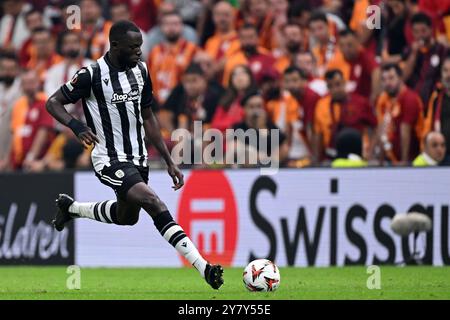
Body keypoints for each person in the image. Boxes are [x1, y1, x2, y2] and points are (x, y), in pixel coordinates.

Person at [45, 20, 224, 290]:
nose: (140, 52)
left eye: (140, 46)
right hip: (108, 158)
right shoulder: (91, 74)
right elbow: (53, 102)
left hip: (138, 158)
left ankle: (71, 209)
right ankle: (204, 266)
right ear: (115, 46)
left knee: (127, 216)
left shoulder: (141, 70)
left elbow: (148, 116)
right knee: (153, 202)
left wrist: (168, 160)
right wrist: (78, 126)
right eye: (133, 47)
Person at [313, 69, 377, 163]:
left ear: (344, 82)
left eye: (338, 84)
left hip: (357, 157)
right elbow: (318, 135)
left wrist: (370, 152)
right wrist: (317, 160)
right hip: (331, 156)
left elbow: (374, 127)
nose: (335, 90)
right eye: (330, 86)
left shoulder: (360, 103)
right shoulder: (321, 105)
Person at [374, 63, 424, 165]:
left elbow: (405, 131)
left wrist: (404, 162)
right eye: (384, 79)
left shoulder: (410, 98)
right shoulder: (383, 99)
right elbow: (381, 129)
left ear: (400, 78)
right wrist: (379, 161)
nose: (387, 83)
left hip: (411, 160)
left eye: (391, 78)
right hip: (390, 159)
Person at [147, 11, 199, 104]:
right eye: (167, 24)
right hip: (157, 103)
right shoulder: (154, 52)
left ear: (182, 26)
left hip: (182, 104)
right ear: (161, 27)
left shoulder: (193, 50)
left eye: (175, 24)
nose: (171, 28)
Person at [11, 69, 55, 170]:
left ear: (38, 83)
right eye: (25, 83)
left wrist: (31, 157)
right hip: (18, 161)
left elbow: (43, 132)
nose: (28, 86)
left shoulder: (44, 103)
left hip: (36, 162)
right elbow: (14, 133)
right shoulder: (19, 105)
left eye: (31, 82)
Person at [402, 12, 448, 107]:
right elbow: (403, 77)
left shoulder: (442, 50)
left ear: (431, 30)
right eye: (416, 32)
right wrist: (414, 54)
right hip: (413, 101)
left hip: (435, 100)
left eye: (423, 31)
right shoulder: (409, 50)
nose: (420, 35)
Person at [327, 29, 381, 102]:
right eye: (342, 46)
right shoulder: (341, 60)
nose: (346, 49)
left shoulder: (365, 57)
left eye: (349, 45)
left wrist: (374, 97)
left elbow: (376, 71)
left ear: (357, 42)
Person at [211, 65, 256, 133]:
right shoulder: (226, 100)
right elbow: (214, 125)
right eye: (235, 74)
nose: (239, 77)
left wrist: (227, 128)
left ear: (250, 77)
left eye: (243, 73)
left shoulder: (255, 99)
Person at [424, 55, 450, 164]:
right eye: (445, 70)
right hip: (442, 154)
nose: (448, 75)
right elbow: (429, 123)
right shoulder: (437, 97)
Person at [0, 52, 22, 171]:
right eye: (4, 69)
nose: (7, 72)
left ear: (17, 70)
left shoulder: (22, 90)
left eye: (11, 69)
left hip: (12, 142)